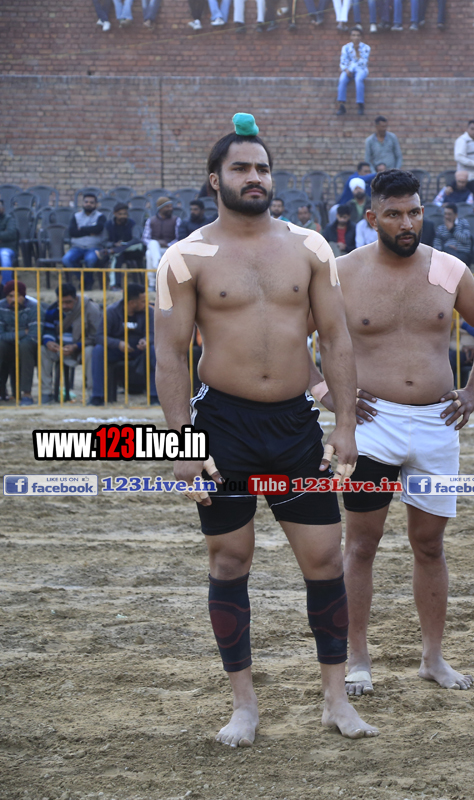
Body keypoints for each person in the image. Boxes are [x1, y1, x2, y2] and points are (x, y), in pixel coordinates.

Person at [154, 114, 373, 747]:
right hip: (221, 424)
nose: (255, 177)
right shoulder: (185, 256)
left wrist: (345, 425)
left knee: (324, 558)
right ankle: (244, 706)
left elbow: (335, 337)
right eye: (242, 168)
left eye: (263, 168)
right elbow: (169, 354)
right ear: (214, 179)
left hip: (295, 425)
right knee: (230, 559)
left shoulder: (310, 248)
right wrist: (180, 443)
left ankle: (335, 699)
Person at [303, 170, 474, 698]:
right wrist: (325, 392)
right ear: (372, 217)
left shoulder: (449, 269)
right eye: (395, 214)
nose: (407, 223)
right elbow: (292, 337)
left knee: (430, 544)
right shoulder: (342, 273)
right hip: (371, 424)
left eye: (415, 212)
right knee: (361, 544)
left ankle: (433, 658)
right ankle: (358, 658)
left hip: (437, 423)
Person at [89, 281, 155, 406]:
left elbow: (153, 333)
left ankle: (154, 396)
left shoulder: (149, 312)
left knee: (153, 350)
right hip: (117, 350)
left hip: (140, 350)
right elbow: (99, 337)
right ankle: (97, 396)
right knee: (98, 350)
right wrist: (118, 344)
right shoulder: (111, 311)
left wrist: (146, 340)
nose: (146, 303)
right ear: (131, 303)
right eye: (142, 301)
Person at [40, 283, 102, 404]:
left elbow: (96, 337)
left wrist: (76, 346)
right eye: (61, 302)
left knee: (91, 352)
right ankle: (46, 393)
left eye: (68, 302)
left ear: (76, 299)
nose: (64, 306)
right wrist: (49, 342)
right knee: (42, 350)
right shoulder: (53, 310)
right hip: (58, 349)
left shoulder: (91, 309)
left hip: (81, 349)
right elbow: (48, 330)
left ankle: (93, 394)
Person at [0, 280, 38, 405]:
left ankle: (26, 394)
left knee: (25, 346)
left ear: (24, 296)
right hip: (8, 347)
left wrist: (13, 336)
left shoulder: (34, 307)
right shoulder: (1, 307)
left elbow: (34, 334)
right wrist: (22, 333)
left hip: (29, 347)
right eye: (10, 296)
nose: (14, 299)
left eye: (18, 296)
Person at [63, 193, 107, 290]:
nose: (88, 204)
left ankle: (87, 282)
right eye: (86, 202)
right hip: (77, 247)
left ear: (96, 204)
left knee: (90, 260)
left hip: (94, 247)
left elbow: (98, 229)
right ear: (83, 203)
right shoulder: (76, 216)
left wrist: (81, 229)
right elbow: (72, 232)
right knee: (66, 260)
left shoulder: (100, 217)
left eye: (91, 202)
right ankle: (85, 280)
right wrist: (90, 231)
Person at [143, 198, 182, 284]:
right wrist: (157, 243)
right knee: (152, 244)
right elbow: (145, 238)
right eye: (167, 207)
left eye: (171, 206)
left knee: (149, 254)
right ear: (160, 208)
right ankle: (157, 266)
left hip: (170, 249)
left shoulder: (176, 220)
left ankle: (152, 282)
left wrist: (168, 244)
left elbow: (179, 238)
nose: (170, 209)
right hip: (155, 249)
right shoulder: (151, 221)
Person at [336, 26, 371, 116]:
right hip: (349, 69)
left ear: (361, 37)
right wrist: (346, 70)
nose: (356, 37)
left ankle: (360, 104)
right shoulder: (346, 47)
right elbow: (343, 61)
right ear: (350, 37)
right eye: (354, 35)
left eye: (358, 35)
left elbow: (363, 63)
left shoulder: (366, 47)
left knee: (358, 79)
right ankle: (341, 105)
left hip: (361, 69)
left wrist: (357, 52)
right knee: (342, 79)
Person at [0, 200, 17, 285]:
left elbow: (11, 234)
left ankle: (6, 286)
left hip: (6, 248)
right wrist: (3, 234)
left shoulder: (9, 219)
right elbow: (6, 234)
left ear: (3, 208)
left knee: (4, 257)